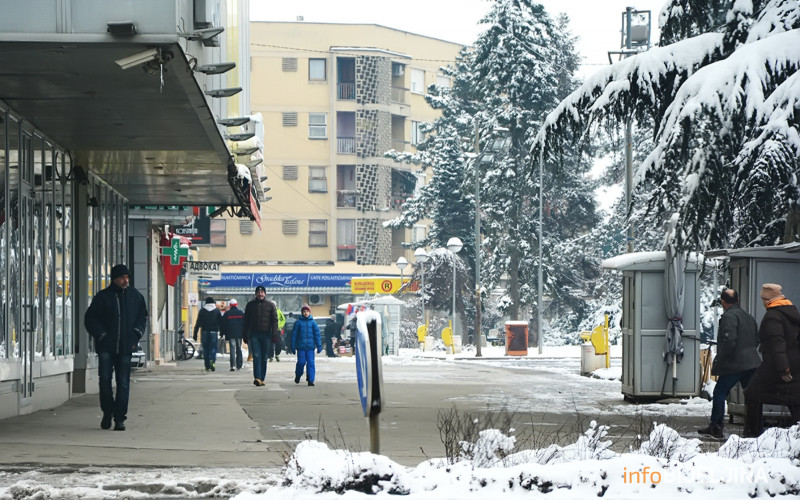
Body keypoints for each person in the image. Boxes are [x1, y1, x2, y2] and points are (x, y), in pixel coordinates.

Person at [84, 264, 148, 431]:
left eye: (127, 277)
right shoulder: (103, 297)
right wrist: (101, 334)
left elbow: (143, 316)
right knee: (105, 381)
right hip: (106, 346)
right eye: (122, 277)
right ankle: (107, 412)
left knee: (124, 383)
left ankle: (119, 418)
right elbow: (90, 318)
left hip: (126, 347)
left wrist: (137, 332)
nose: (125, 280)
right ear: (114, 279)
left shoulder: (135, 297)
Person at [698, 288, 760, 439]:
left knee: (720, 392)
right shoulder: (748, 317)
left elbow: (729, 341)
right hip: (752, 363)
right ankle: (755, 429)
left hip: (735, 364)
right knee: (753, 396)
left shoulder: (729, 317)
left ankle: (716, 427)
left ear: (723, 302)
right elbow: (757, 339)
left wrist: (721, 360)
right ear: (738, 300)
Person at [744, 283, 800, 437]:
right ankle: (797, 434)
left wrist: (784, 369)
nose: (762, 301)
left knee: (752, 394)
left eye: (763, 298)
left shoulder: (773, 316)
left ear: (767, 299)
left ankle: (752, 434)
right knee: (794, 400)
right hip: (794, 363)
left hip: (776, 365)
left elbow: (777, 343)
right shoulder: (791, 310)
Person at [243, 285, 278, 387]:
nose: (260, 294)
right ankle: (257, 378)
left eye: (262, 292)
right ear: (256, 294)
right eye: (258, 292)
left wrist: (274, 334)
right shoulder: (250, 305)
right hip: (254, 334)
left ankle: (262, 378)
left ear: (265, 294)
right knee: (257, 356)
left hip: (266, 334)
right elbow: (246, 321)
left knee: (264, 357)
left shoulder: (270, 305)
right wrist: (244, 334)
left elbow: (274, 321)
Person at [290, 305, 322, 386]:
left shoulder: (313, 323)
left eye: (307, 311)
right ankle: (298, 375)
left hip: (310, 347)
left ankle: (310, 380)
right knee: (301, 362)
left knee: (311, 363)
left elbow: (317, 335)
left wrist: (319, 346)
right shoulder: (298, 323)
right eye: (304, 311)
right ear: (302, 313)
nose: (306, 313)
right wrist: (292, 346)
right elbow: (294, 335)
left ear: (309, 312)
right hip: (301, 347)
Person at [194, 297, 222, 372]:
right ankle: (212, 360)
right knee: (213, 348)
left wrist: (195, 334)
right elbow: (221, 322)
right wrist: (222, 332)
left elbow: (198, 323)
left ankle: (207, 366)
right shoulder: (217, 311)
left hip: (204, 332)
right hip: (214, 332)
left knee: (205, 349)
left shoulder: (202, 311)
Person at [221, 298, 244, 371]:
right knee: (239, 349)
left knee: (232, 349)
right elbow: (244, 324)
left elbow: (223, 325)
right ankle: (239, 365)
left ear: (230, 305)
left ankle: (232, 365)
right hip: (239, 334)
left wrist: (222, 333)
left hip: (231, 334)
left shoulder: (227, 314)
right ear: (236, 305)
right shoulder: (241, 313)